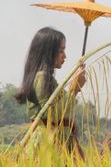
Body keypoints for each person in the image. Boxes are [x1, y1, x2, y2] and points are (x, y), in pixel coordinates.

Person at [14, 27, 86, 158]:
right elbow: (53, 113)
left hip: (54, 141)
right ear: (48, 52)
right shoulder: (42, 77)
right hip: (46, 144)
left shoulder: (47, 79)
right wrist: (73, 90)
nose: (65, 56)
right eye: (61, 51)